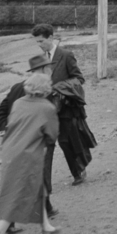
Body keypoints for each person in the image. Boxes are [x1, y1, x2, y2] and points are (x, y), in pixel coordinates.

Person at [0, 73, 61, 234]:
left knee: (38, 189)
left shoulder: (18, 102)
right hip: (28, 154)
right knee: (16, 194)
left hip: (9, 149)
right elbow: (52, 134)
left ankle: (46, 227)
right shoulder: (47, 108)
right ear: (45, 88)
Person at [0, 53, 60, 229]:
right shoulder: (44, 92)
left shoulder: (18, 87)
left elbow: (0, 112)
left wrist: (6, 129)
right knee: (25, 181)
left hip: (14, 143)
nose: (50, 70)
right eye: (48, 67)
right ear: (40, 70)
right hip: (36, 144)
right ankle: (2, 229)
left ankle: (45, 219)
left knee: (26, 181)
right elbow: (49, 123)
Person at [33, 23, 89, 184]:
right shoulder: (40, 59)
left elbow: (79, 78)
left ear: (50, 37)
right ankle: (45, 185)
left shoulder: (66, 55)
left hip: (65, 107)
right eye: (37, 42)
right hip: (47, 108)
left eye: (41, 41)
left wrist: (60, 88)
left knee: (66, 141)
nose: (39, 45)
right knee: (47, 144)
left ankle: (78, 172)